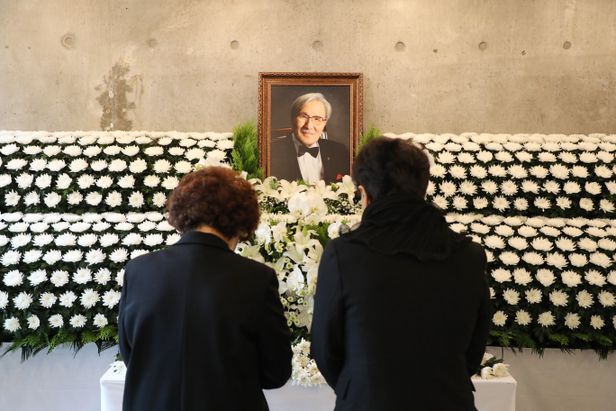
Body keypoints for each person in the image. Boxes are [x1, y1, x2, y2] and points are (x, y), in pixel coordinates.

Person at [310, 137, 492, 411]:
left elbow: (325, 348)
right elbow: (473, 349)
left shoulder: (343, 255)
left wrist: (361, 386)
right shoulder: (470, 255)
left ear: (364, 195)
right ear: (423, 189)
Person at [118, 166, 292, 411]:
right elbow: (276, 372)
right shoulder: (257, 278)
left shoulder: (138, 271)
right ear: (241, 221)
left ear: (182, 214)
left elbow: (131, 354)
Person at [270, 92, 349, 184]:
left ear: (325, 123)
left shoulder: (340, 151)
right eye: (303, 116)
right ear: (293, 118)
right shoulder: (272, 151)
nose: (309, 126)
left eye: (317, 119)